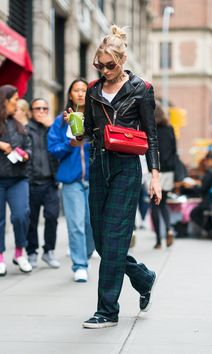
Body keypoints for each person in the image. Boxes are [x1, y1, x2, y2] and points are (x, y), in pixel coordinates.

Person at [65, 25, 162, 329]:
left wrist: (155, 176)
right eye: (99, 65)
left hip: (126, 168)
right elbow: (85, 136)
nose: (104, 70)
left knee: (116, 237)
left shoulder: (141, 89)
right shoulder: (93, 90)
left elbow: (151, 135)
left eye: (110, 65)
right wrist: (75, 127)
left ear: (122, 60)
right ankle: (143, 277)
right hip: (98, 165)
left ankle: (107, 310)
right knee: (104, 243)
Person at [48, 79, 95, 282]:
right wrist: (70, 144)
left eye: (84, 90)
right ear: (70, 94)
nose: (80, 94)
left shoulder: (96, 118)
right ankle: (80, 265)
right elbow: (53, 148)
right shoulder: (61, 121)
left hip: (95, 179)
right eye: (76, 90)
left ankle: (86, 254)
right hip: (71, 181)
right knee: (76, 224)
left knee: (92, 224)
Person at [0, 85, 32, 276]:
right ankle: (0, 257)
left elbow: (28, 147)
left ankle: (20, 252)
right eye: (14, 100)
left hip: (18, 178)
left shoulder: (19, 124)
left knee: (21, 215)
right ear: (4, 100)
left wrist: (25, 154)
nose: (17, 103)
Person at [26, 98, 60, 269]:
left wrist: (52, 127)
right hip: (32, 183)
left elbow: (63, 149)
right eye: (37, 108)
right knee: (31, 220)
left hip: (50, 182)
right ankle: (31, 252)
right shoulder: (25, 130)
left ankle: (49, 251)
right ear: (31, 111)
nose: (41, 111)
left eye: (44, 108)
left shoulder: (53, 129)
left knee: (52, 217)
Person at [151, 103, 177, 249]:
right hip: (169, 171)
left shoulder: (150, 129)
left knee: (154, 204)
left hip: (154, 171)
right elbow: (174, 151)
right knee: (164, 202)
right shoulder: (169, 129)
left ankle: (158, 241)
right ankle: (169, 229)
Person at [183, 151, 212, 236]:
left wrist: (192, 187)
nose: (205, 162)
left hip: (210, 202)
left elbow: (202, 189)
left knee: (193, 213)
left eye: (207, 160)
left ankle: (211, 230)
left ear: (211, 160)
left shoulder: (210, 173)